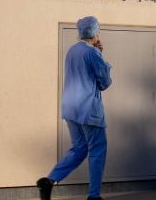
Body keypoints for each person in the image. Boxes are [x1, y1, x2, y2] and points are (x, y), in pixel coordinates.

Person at [37, 16, 112, 200]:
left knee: (79, 148)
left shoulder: (72, 50)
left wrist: (97, 53)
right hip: (88, 110)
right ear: (95, 33)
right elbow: (105, 82)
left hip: (70, 109)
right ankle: (94, 196)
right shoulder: (92, 53)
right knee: (97, 151)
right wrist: (102, 58)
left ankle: (50, 180)